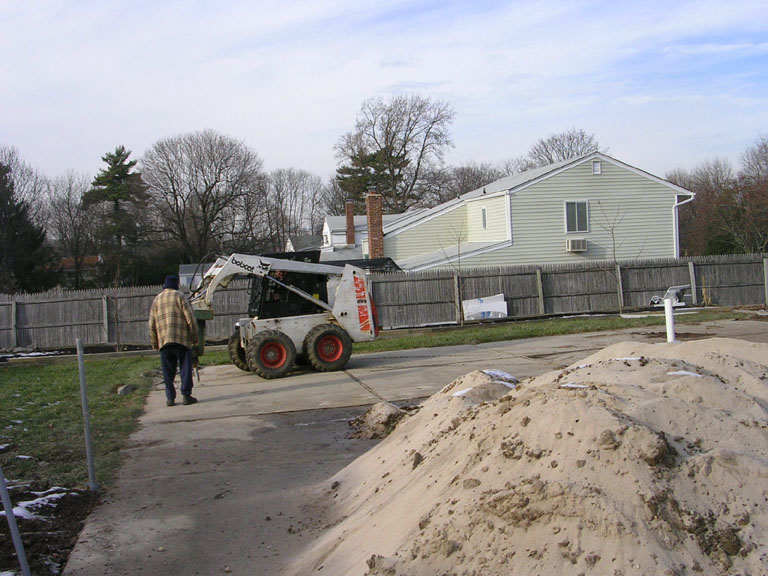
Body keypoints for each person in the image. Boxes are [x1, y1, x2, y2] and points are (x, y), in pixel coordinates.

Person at [149, 275, 200, 406]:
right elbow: (190, 319)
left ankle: (170, 398)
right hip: (181, 339)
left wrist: (154, 342)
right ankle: (186, 395)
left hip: (164, 341)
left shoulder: (157, 299)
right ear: (176, 284)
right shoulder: (180, 296)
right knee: (185, 368)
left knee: (167, 371)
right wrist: (194, 337)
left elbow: (151, 324)